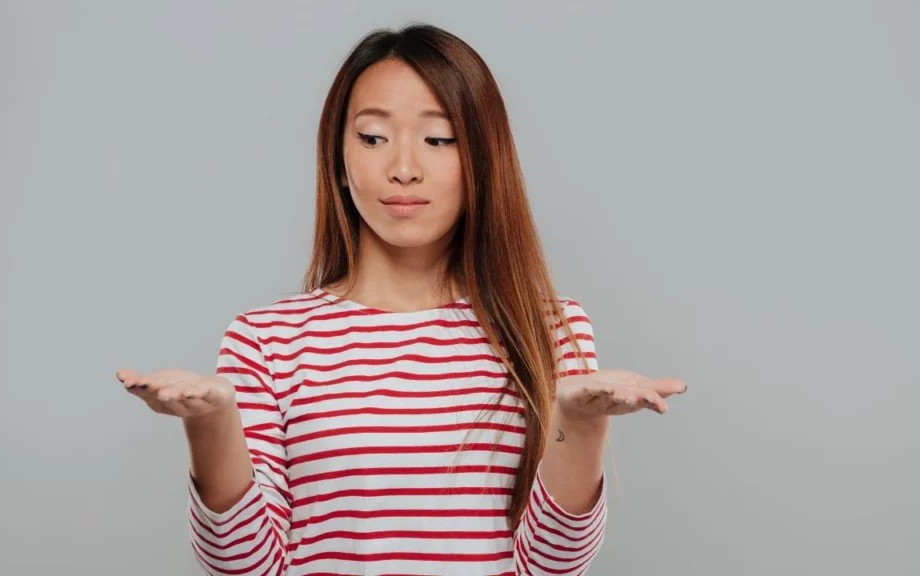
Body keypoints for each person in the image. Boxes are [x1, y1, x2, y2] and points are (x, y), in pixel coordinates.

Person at [116, 23, 686, 576]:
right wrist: (212, 423)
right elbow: (244, 566)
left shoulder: (548, 327)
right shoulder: (266, 340)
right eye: (372, 138)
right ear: (339, 160)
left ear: (482, 161)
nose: (404, 169)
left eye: (439, 139)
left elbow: (552, 566)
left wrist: (579, 425)